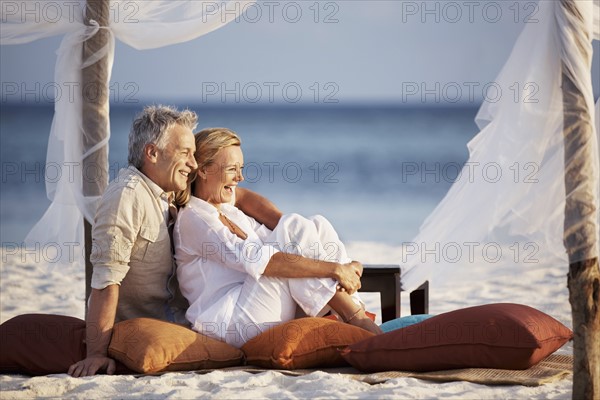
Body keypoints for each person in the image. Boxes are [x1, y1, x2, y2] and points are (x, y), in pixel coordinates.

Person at [68, 106, 282, 377]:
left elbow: (237, 194)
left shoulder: (168, 190)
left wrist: (278, 221)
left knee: (288, 250)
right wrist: (96, 354)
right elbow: (105, 281)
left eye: (194, 155)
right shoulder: (127, 197)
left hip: (185, 320)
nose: (193, 164)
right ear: (152, 153)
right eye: (185, 153)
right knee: (276, 269)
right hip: (150, 329)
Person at [173, 127, 382, 348]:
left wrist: (341, 266)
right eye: (232, 169)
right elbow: (265, 260)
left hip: (259, 305)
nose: (240, 177)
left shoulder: (227, 207)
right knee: (294, 227)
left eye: (241, 168)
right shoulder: (196, 218)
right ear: (204, 170)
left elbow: (282, 234)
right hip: (234, 323)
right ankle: (356, 317)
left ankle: (348, 311)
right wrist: (335, 269)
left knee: (318, 224)